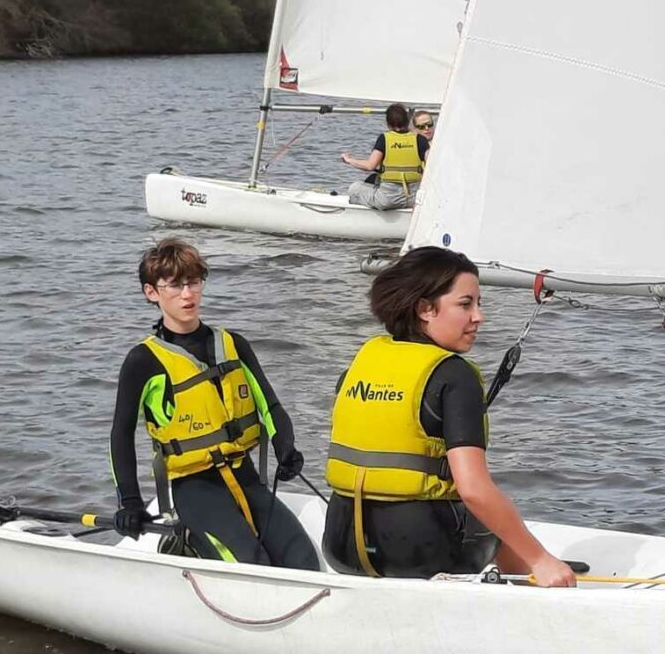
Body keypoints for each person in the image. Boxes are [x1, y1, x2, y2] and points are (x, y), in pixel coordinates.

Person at [321, 246, 576, 587]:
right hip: (420, 558)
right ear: (425, 309)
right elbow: (473, 490)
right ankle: (536, 569)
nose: (478, 317)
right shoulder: (455, 376)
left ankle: (529, 567)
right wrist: (540, 558)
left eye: (479, 303)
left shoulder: (363, 362)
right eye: (465, 304)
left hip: (342, 548)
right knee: (487, 498)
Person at [109, 237, 319, 570]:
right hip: (194, 488)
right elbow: (120, 435)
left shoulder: (233, 344)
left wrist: (286, 448)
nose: (188, 294)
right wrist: (130, 502)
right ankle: (187, 543)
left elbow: (271, 407)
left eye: (193, 282)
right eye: (175, 285)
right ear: (152, 292)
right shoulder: (143, 361)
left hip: (245, 476)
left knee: (303, 560)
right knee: (250, 564)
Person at [340, 103, 429, 210]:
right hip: (413, 200)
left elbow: (370, 166)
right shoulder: (420, 139)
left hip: (387, 200)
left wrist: (349, 160)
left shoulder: (384, 139)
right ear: (408, 120)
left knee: (354, 188)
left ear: (388, 123)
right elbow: (432, 167)